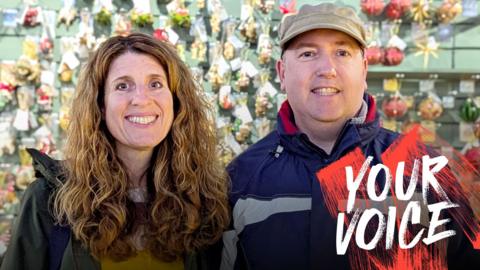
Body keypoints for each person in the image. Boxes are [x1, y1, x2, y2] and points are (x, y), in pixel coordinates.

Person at [221, 3, 479, 270]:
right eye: (308, 53)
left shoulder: (426, 171)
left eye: (342, 52)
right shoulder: (241, 180)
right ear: (282, 73)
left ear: (364, 71)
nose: (327, 69)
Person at [1, 32, 230, 270]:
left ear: (175, 101)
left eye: (155, 84)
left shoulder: (203, 199)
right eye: (123, 85)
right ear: (101, 105)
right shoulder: (50, 201)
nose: (141, 99)